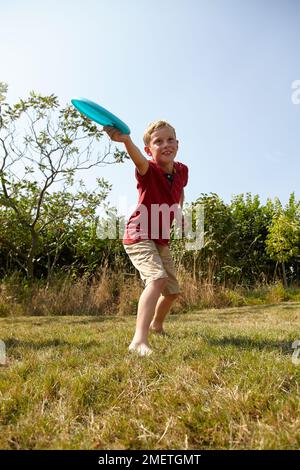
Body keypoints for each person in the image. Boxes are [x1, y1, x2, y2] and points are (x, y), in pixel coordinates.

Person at [103, 121, 188, 356]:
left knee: (172, 291)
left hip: (160, 239)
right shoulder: (148, 170)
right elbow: (138, 160)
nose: (165, 144)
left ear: (177, 144)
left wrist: (179, 211)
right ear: (150, 150)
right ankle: (139, 341)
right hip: (139, 234)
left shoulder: (182, 170)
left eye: (170, 139)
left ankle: (157, 325)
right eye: (158, 141)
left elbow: (180, 190)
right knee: (157, 278)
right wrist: (126, 141)